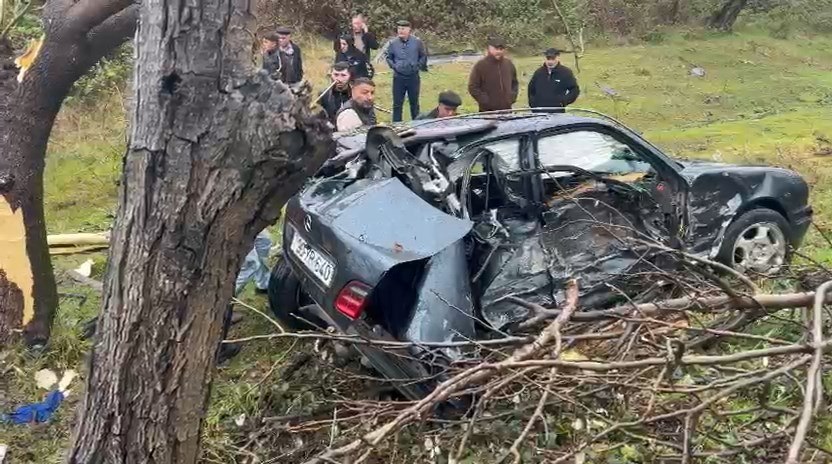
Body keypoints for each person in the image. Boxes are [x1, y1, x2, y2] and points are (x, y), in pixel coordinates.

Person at [386, 20, 427, 122]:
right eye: (399, 28)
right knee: (397, 104)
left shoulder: (417, 42)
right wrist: (394, 66)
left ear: (409, 30)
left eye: (403, 29)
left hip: (413, 76)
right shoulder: (393, 43)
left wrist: (417, 66)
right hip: (398, 77)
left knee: (414, 103)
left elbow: (423, 56)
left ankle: (417, 124)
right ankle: (396, 126)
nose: (401, 31)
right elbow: (388, 57)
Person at [468, 37, 518, 113]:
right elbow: (473, 87)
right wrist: (486, 101)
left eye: (501, 49)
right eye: (496, 49)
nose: (499, 51)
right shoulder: (481, 65)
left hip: (507, 110)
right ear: (489, 48)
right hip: (488, 112)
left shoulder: (508, 64)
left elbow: (514, 83)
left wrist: (511, 97)